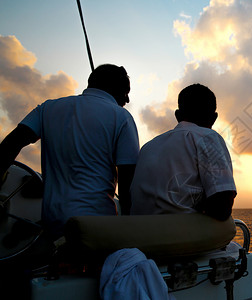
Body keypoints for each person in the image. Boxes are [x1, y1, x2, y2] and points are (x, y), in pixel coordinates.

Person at [0, 64, 140, 240]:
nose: (127, 100)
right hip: (98, 225)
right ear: (115, 89)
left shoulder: (47, 108)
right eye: (126, 92)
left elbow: (11, 143)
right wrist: (128, 226)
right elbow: (128, 179)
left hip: (53, 223)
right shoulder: (122, 117)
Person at [130, 83, 236, 221]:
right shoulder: (207, 137)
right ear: (214, 118)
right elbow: (222, 208)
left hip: (140, 236)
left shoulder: (147, 147)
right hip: (183, 237)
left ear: (178, 115)